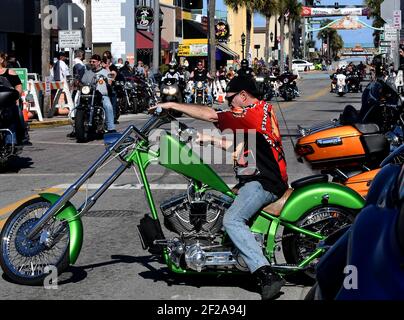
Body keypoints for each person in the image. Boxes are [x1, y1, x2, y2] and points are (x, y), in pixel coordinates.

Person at [154, 76, 288, 300]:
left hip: (263, 182)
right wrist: (204, 138)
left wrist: (172, 104)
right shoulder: (262, 110)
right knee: (219, 201)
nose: (228, 104)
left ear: (243, 95)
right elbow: (242, 143)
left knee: (232, 220)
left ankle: (266, 274)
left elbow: (210, 114)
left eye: (230, 99)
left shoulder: (248, 113)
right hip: (260, 176)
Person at [81, 54, 116, 133]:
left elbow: (110, 81)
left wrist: (108, 80)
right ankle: (77, 127)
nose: (92, 63)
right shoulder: (87, 73)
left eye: (94, 61)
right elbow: (82, 82)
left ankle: (111, 128)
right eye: (90, 61)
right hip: (89, 95)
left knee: (108, 106)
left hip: (102, 95)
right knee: (79, 105)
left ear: (99, 62)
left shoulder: (105, 72)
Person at [0, 52, 30, 145]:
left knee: (12, 115)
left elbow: (18, 87)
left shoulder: (9, 72)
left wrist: (16, 96)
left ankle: (12, 142)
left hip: (6, 103)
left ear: (1, 60)